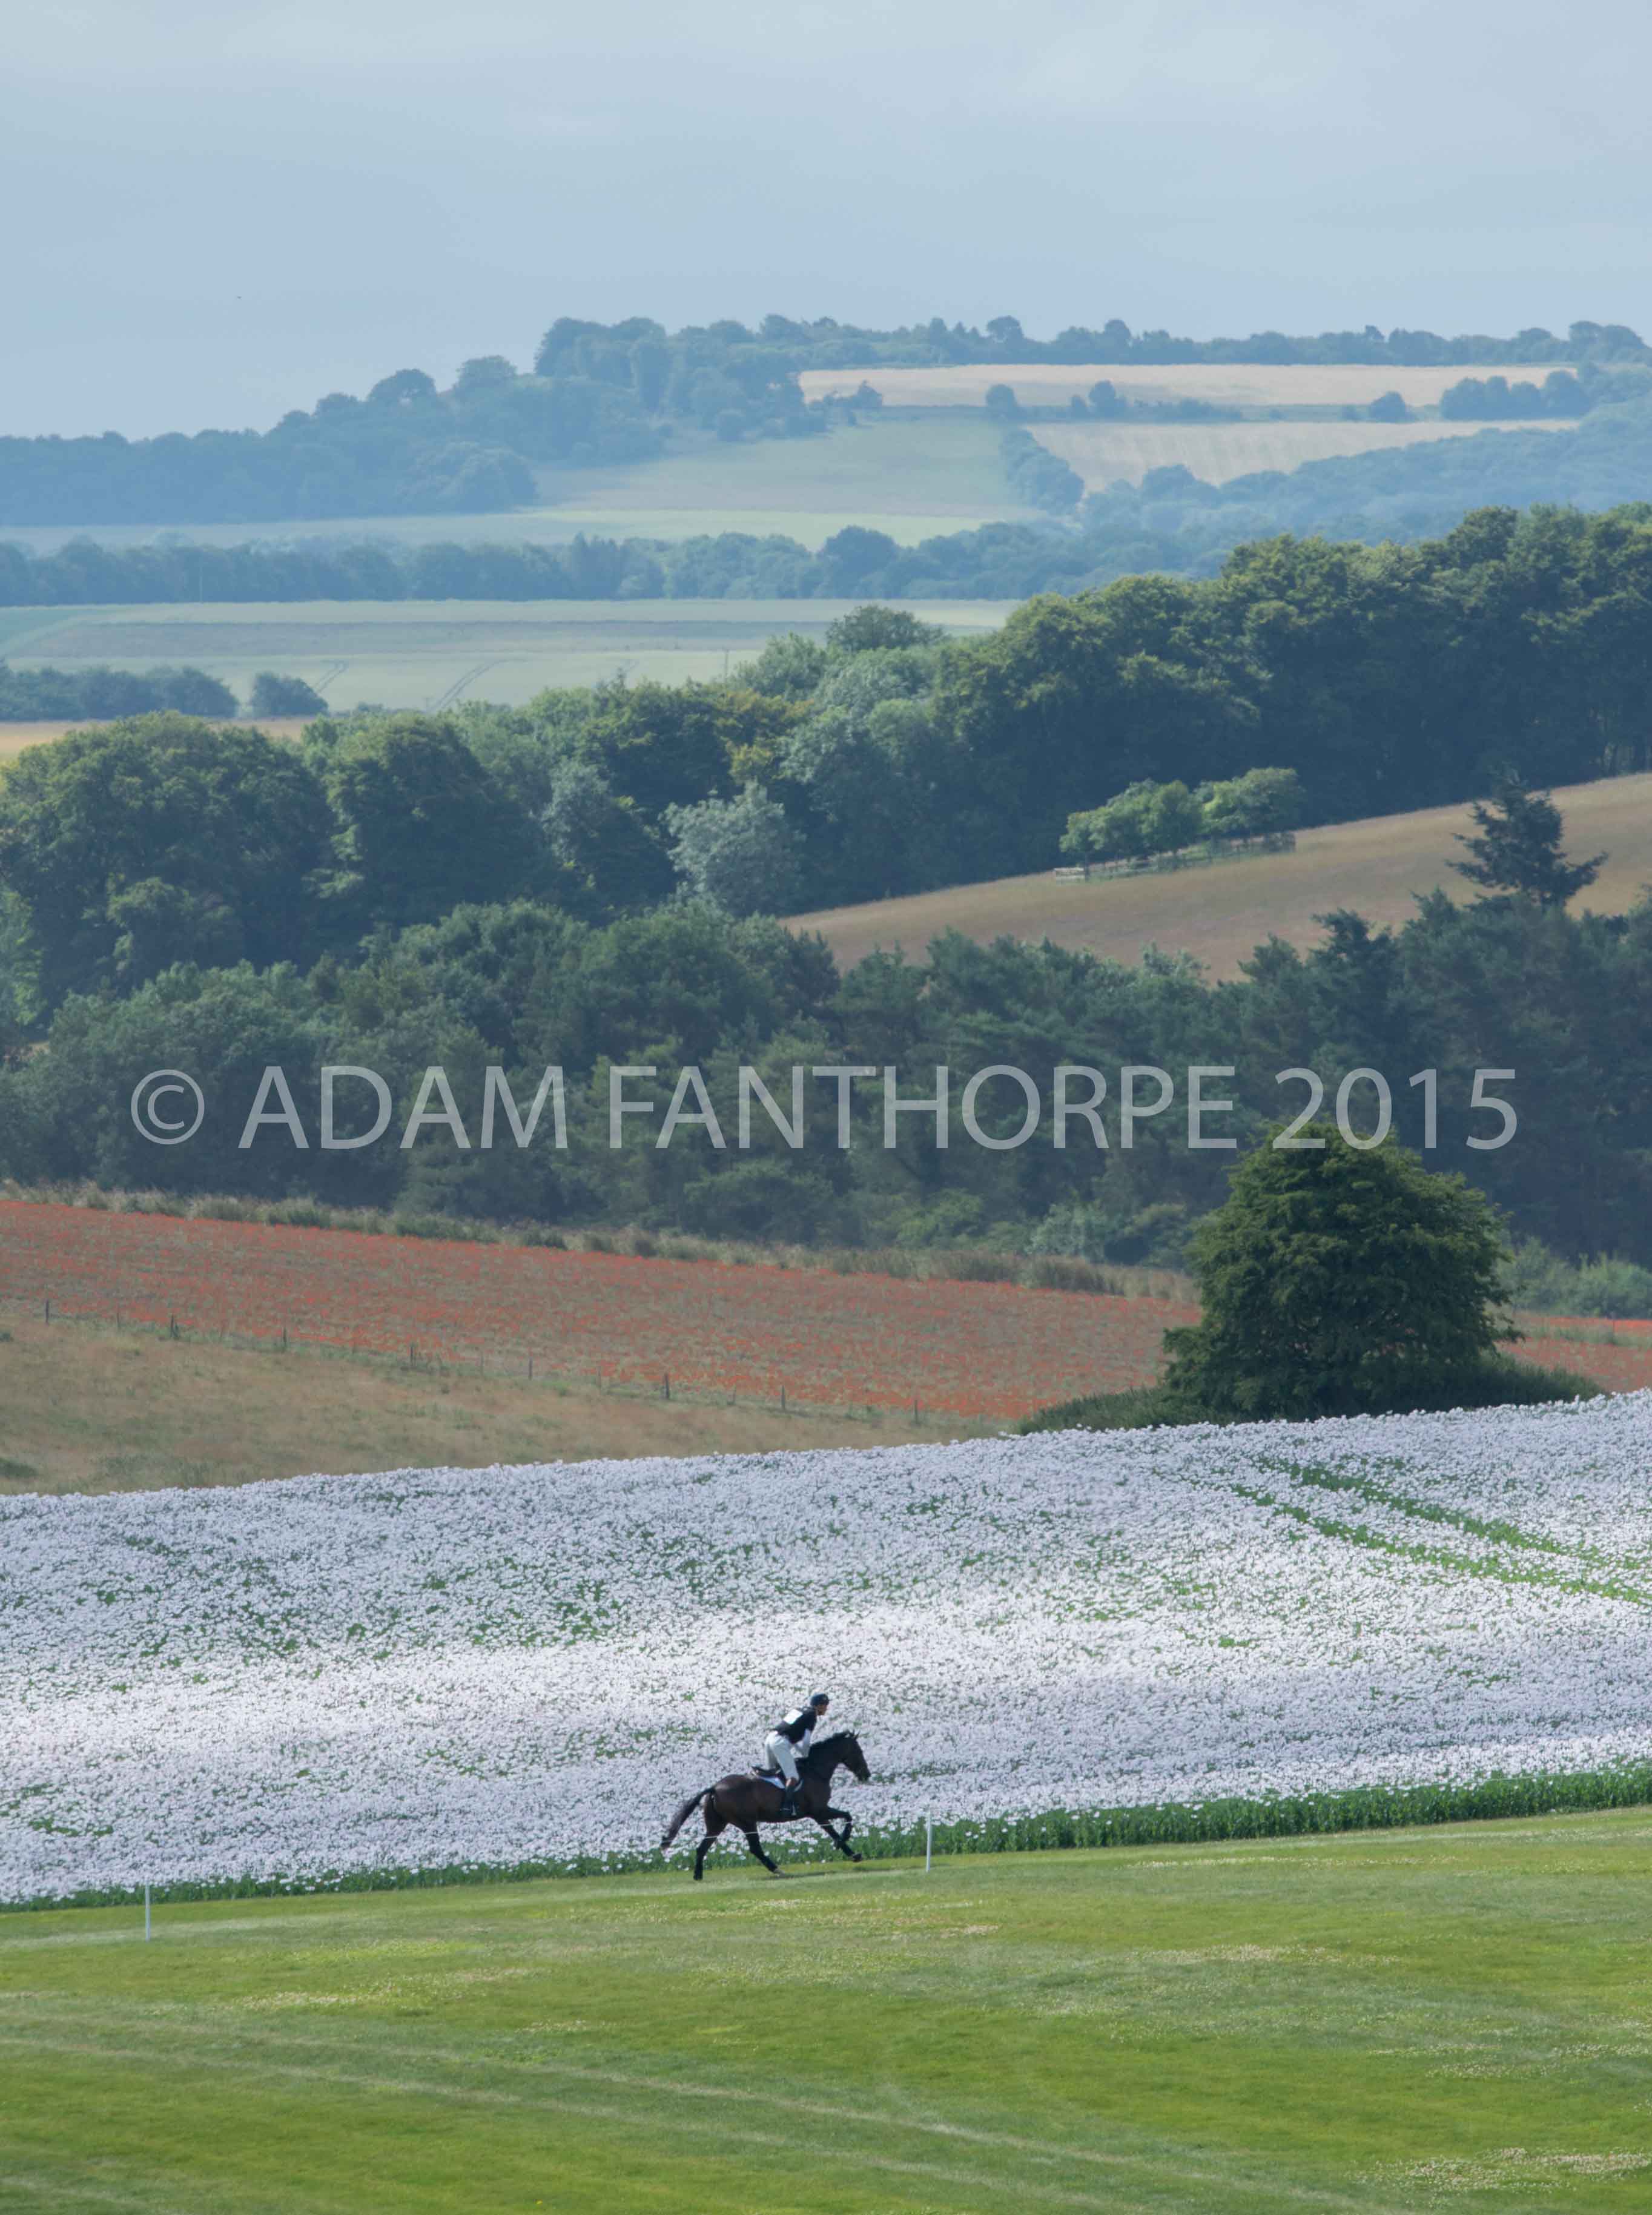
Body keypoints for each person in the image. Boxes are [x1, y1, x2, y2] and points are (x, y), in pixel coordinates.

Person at [764, 1692, 829, 1816]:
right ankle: (787, 1807)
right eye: (826, 1706)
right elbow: (806, 1739)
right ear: (819, 1706)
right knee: (793, 1777)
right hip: (780, 1742)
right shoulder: (812, 1715)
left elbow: (792, 1738)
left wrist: (803, 1751)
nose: (826, 1709)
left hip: (770, 1739)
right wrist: (806, 1753)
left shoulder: (798, 1710)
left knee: (773, 1774)